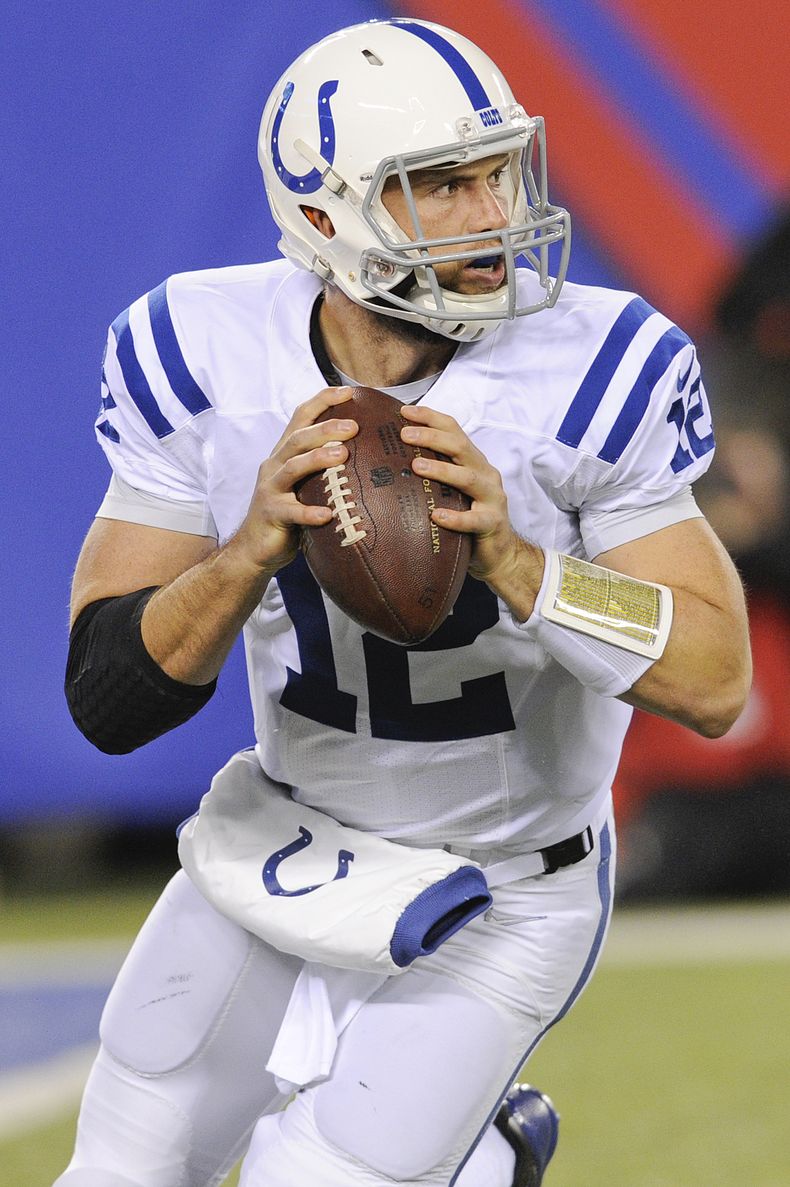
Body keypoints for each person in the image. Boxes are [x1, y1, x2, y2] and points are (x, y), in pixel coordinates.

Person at [58, 18, 751, 1187]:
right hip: (284, 832)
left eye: (495, 169)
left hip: (503, 878)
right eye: (436, 185)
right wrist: (243, 558)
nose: (489, 210)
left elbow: (716, 679)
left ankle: (473, 1155)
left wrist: (520, 566)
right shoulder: (200, 348)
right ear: (323, 218)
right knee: (119, 1173)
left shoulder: (599, 361)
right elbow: (107, 695)